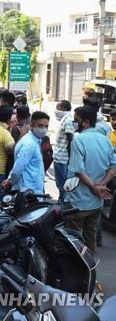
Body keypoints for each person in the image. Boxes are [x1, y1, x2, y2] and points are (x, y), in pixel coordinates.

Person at [64, 107, 116, 252]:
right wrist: (102, 185)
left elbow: (78, 170)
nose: (74, 123)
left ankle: (75, 270)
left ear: (85, 122)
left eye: (76, 120)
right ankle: (89, 268)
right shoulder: (105, 140)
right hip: (96, 201)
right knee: (90, 237)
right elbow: (113, 167)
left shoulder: (78, 140)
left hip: (78, 201)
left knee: (72, 241)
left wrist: (95, 186)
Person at [2, 112, 50, 194]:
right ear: (31, 125)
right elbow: (17, 169)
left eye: (46, 126)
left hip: (31, 189)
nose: (44, 129)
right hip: (28, 192)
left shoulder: (34, 141)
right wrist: (10, 181)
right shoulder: (30, 144)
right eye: (40, 126)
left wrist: (10, 179)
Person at [53, 100, 74, 203]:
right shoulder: (64, 119)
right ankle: (61, 202)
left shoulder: (68, 120)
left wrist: (70, 157)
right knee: (60, 184)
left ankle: (63, 206)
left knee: (63, 185)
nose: (56, 110)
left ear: (63, 109)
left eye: (58, 108)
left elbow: (70, 138)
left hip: (63, 158)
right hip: (59, 157)